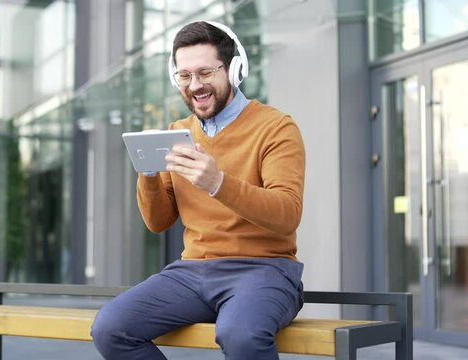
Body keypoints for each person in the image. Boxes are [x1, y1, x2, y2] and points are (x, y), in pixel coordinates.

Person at [91, 20, 306, 360]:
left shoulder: (276, 127)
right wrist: (148, 174)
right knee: (110, 328)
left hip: (264, 269)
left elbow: (287, 214)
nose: (195, 85)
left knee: (241, 335)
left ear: (234, 70)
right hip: (191, 273)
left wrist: (218, 183)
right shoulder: (178, 132)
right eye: (185, 76)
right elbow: (158, 222)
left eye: (205, 73)